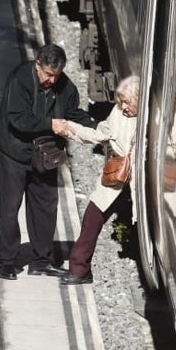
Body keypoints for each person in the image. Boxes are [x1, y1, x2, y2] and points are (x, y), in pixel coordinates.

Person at [0, 44, 95, 280]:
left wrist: (95, 127)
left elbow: (72, 112)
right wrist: (50, 124)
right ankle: (7, 260)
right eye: (48, 74)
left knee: (46, 207)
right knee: (10, 207)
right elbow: (18, 119)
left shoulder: (65, 86)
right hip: (14, 153)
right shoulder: (20, 80)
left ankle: (41, 259)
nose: (51, 80)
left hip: (45, 155)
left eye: (56, 76)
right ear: (37, 65)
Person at [57, 75, 140, 285]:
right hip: (118, 179)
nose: (123, 106)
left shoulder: (156, 119)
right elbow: (99, 134)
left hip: (141, 185)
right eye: (121, 101)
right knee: (92, 217)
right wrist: (71, 129)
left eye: (128, 102)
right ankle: (79, 269)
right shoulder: (119, 113)